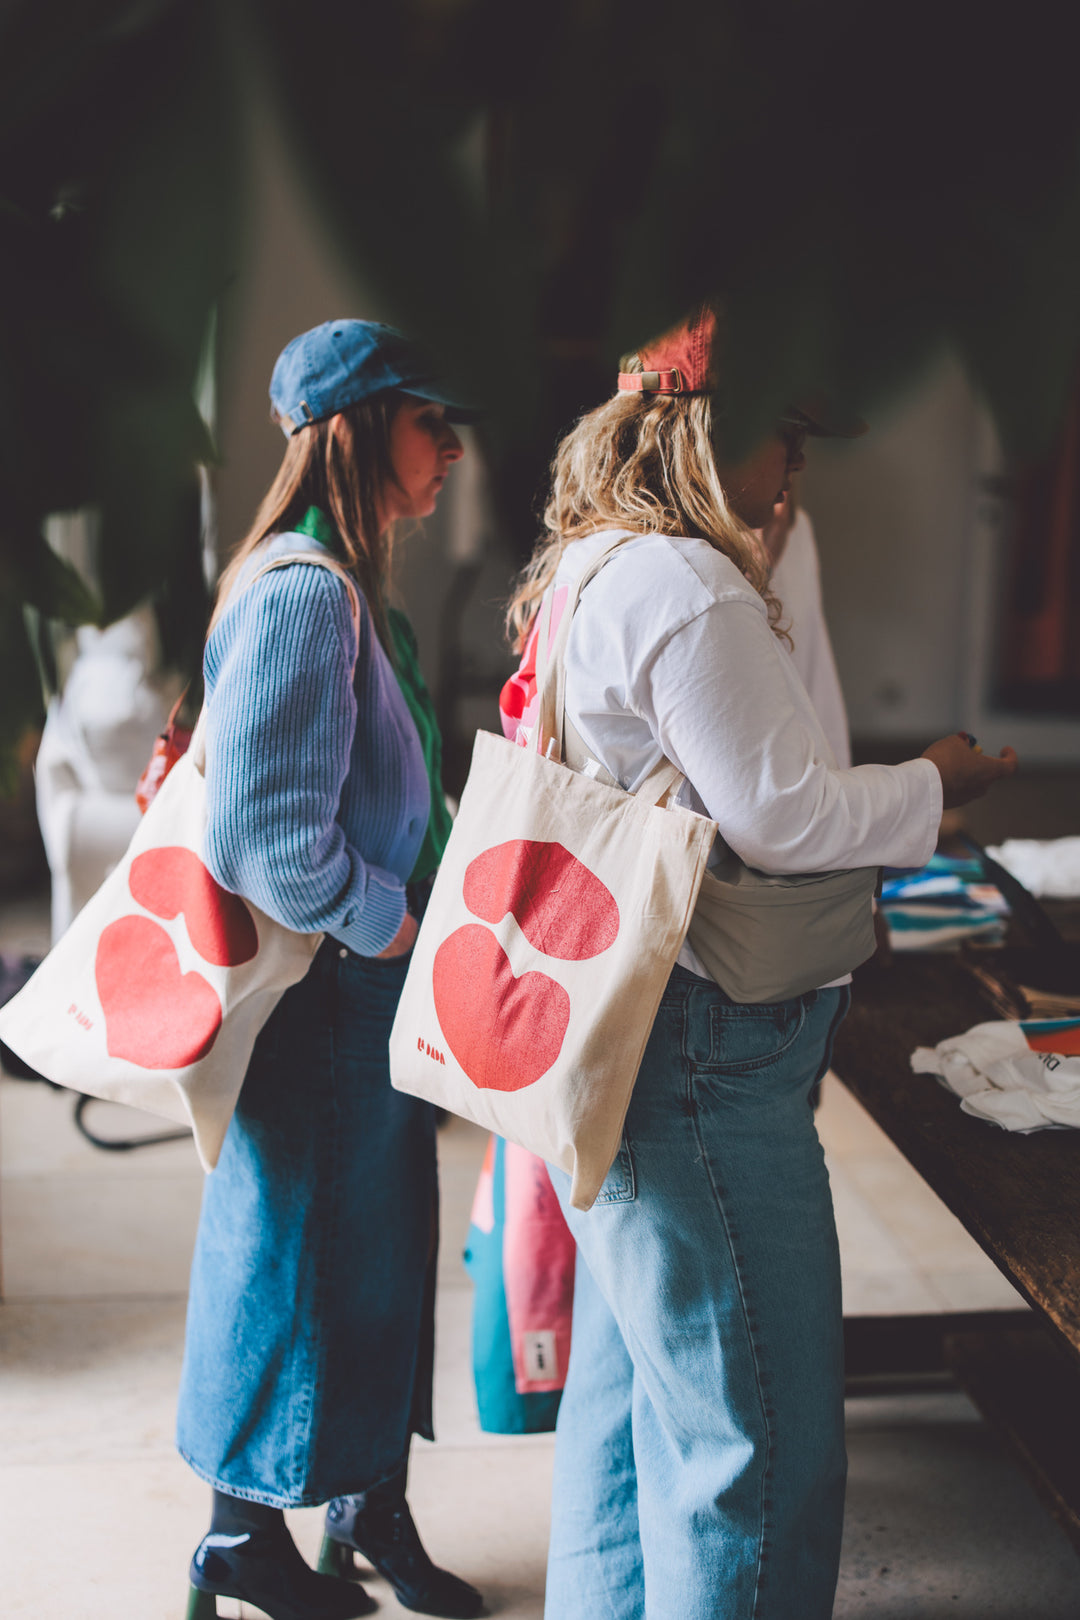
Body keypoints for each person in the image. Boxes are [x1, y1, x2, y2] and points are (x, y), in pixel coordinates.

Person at [501, 304, 1016, 1619]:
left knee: (634, 1421)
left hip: (632, 1037)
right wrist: (930, 786)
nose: (796, 470)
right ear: (709, 430)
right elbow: (785, 818)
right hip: (707, 1061)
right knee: (763, 1448)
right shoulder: (688, 585)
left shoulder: (596, 562)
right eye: (785, 438)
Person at [177, 319, 483, 1620]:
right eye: (433, 423)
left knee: (371, 1255)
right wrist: (392, 923)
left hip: (365, 994)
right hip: (329, 1001)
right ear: (359, 430)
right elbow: (261, 837)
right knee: (290, 1254)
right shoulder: (305, 595)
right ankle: (243, 1536)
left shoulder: (342, 587)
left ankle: (366, 1508)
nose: (454, 453)